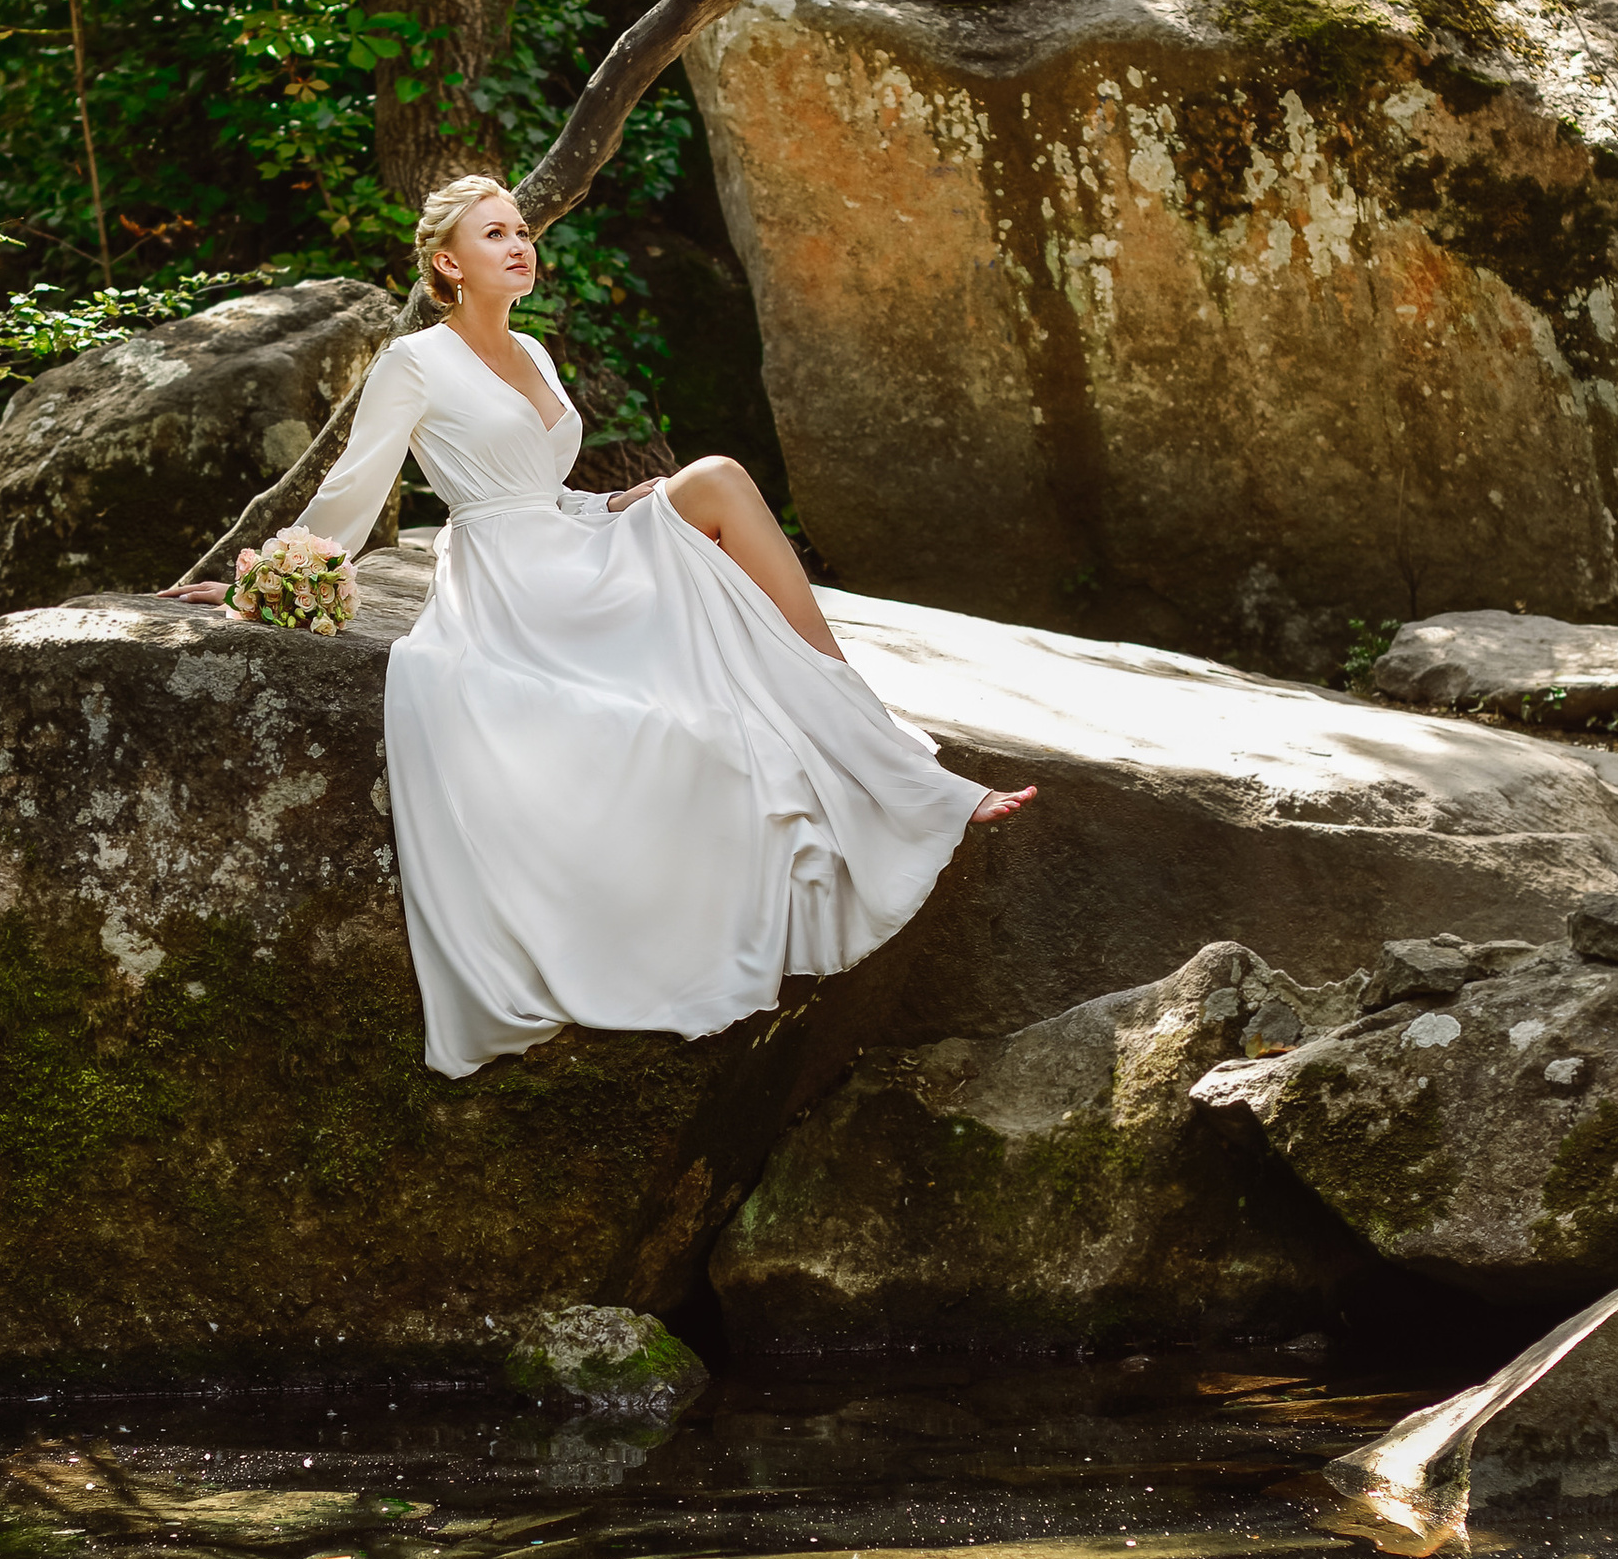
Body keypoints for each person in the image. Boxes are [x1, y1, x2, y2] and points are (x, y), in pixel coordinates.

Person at [176, 174, 1033, 1082]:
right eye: (494, 233)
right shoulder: (414, 362)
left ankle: (852, 714)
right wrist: (266, 585)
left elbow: (544, 486)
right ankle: (874, 746)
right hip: (514, 585)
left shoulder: (536, 354)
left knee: (714, 480)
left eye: (521, 231)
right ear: (446, 263)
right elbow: (356, 487)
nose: (519, 245)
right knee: (698, 688)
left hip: (568, 541)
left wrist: (619, 500)